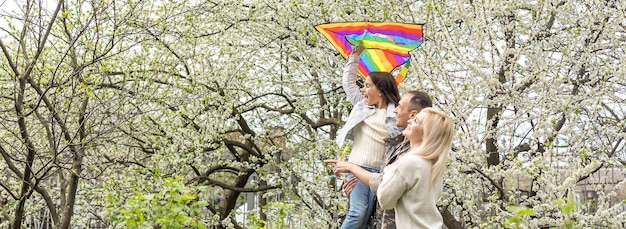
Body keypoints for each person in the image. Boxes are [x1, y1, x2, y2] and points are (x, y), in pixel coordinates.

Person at [329, 108, 453, 228]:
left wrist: (389, 168)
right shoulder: (432, 164)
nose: (410, 121)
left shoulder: (409, 162)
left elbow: (385, 200)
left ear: (427, 132)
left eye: (416, 121)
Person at [333, 43, 403, 229]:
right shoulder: (362, 106)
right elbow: (348, 83)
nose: (363, 90)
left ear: (380, 90)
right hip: (357, 168)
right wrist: (355, 55)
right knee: (358, 212)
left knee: (373, 218)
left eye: (367, 86)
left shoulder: (398, 114)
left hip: (382, 173)